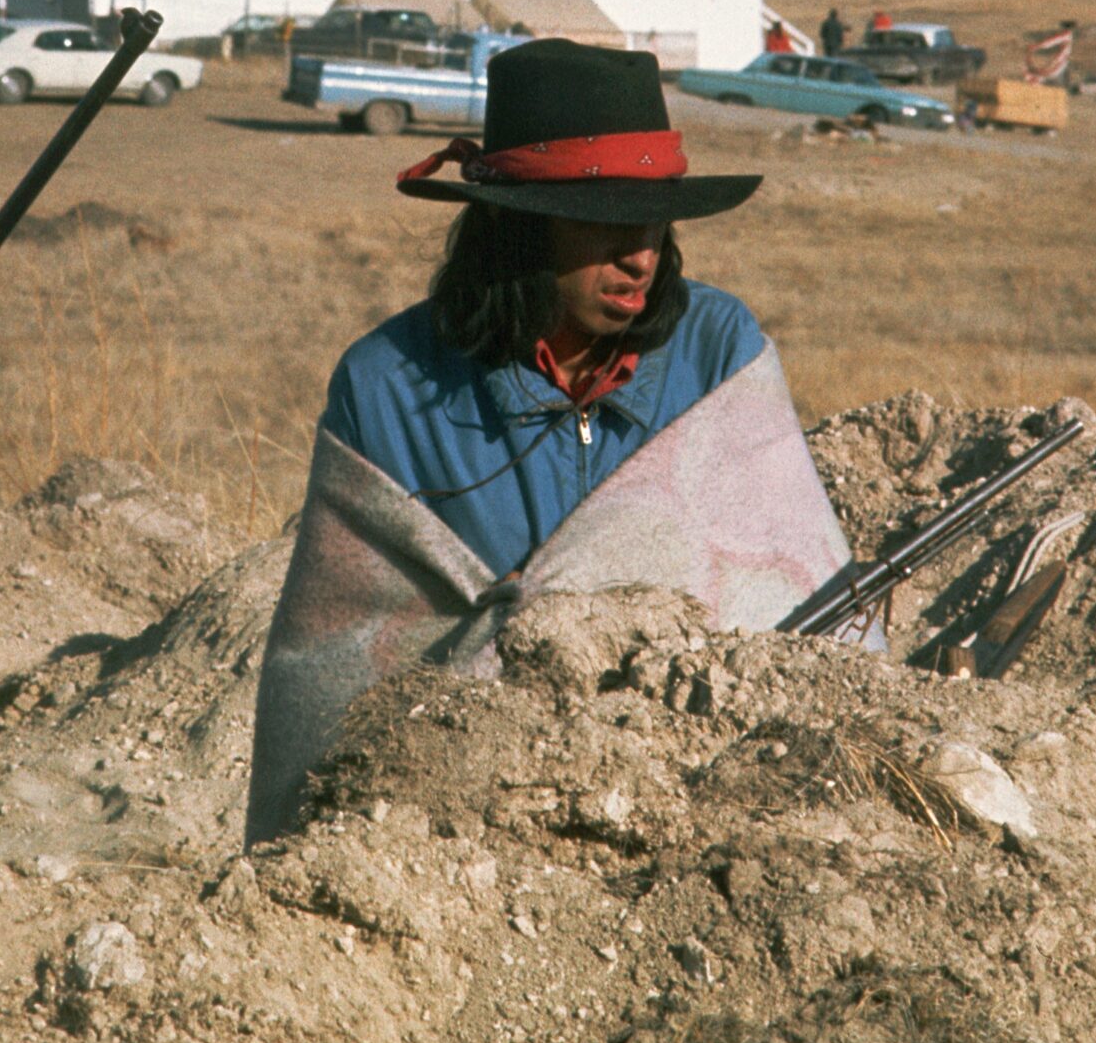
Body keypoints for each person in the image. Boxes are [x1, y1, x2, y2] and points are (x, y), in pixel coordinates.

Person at [247, 41, 856, 843]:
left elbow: (797, 604)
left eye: (653, 219)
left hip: (705, 818)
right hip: (464, 830)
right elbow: (331, 674)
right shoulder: (387, 388)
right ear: (518, 228)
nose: (639, 256)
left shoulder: (720, 356)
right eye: (603, 222)